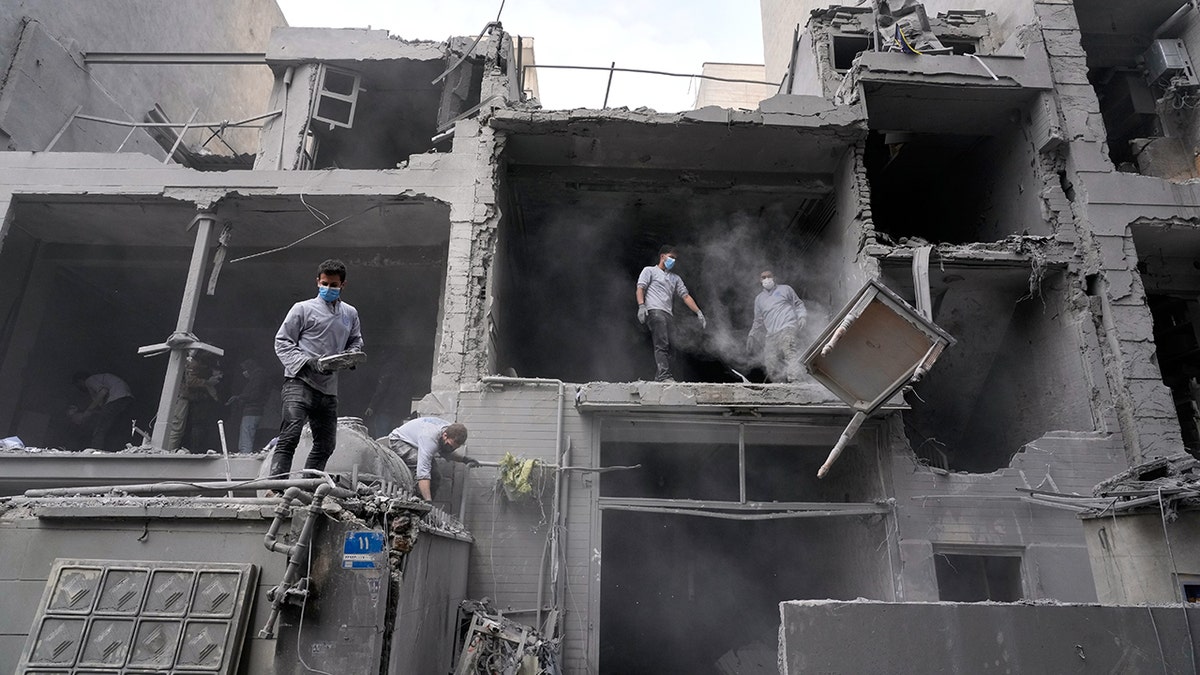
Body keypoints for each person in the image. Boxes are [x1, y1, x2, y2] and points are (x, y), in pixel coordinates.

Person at [270, 259, 364, 477]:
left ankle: (308, 485)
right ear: (317, 282)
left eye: (333, 285)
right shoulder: (302, 309)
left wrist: (351, 357)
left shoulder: (350, 313)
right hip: (299, 382)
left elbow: (356, 341)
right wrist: (307, 361)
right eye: (324, 284)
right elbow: (282, 342)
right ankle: (275, 486)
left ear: (343, 285)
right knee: (290, 434)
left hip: (328, 389)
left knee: (326, 444)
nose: (328, 288)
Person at [635, 245, 706, 382]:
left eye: (675, 259)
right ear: (662, 256)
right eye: (671, 257)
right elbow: (640, 288)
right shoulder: (649, 271)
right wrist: (641, 306)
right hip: (655, 311)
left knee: (672, 347)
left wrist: (698, 312)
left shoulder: (675, 278)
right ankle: (663, 376)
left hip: (668, 314)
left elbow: (685, 296)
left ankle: (659, 376)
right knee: (662, 343)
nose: (673, 261)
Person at [388, 417, 477, 501]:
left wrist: (464, 459)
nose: (451, 449)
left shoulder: (449, 431)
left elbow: (446, 451)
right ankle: (416, 501)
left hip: (416, 443)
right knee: (419, 466)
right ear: (445, 435)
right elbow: (423, 471)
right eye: (450, 446)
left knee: (436, 476)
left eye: (454, 448)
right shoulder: (430, 439)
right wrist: (428, 500)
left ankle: (424, 503)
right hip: (399, 441)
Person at [746, 270, 808, 383]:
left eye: (769, 276)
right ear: (760, 280)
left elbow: (798, 303)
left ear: (774, 277)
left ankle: (796, 382)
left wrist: (802, 316)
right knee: (770, 362)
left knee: (790, 352)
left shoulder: (785, 289)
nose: (766, 279)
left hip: (787, 327)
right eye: (763, 277)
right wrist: (751, 335)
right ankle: (779, 385)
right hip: (771, 334)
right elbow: (758, 320)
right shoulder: (759, 299)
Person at [70, 371, 134, 451]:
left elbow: (103, 391)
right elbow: (104, 409)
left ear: (80, 381)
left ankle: (95, 451)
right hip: (126, 398)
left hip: (116, 398)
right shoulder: (101, 379)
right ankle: (123, 449)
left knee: (100, 428)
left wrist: (89, 410)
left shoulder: (89, 380)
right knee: (118, 427)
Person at [227, 359, 272, 453]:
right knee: (247, 434)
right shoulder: (258, 377)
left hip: (252, 411)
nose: (244, 372)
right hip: (255, 410)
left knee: (246, 437)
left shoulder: (258, 376)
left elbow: (254, 395)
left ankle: (245, 455)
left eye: (245, 369)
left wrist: (239, 397)